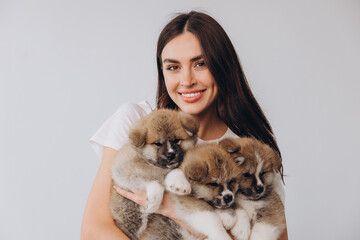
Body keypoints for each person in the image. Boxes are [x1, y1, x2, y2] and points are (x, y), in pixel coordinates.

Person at [81, 11, 288, 240]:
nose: (187, 80)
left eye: (200, 64)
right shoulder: (138, 122)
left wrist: (175, 209)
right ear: (162, 72)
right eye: (173, 67)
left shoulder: (249, 153)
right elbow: (93, 231)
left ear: (222, 67)